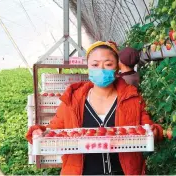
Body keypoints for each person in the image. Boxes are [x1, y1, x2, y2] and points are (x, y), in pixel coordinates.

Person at [26, 41, 163, 175]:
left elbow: (147, 128)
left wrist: (154, 131)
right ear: (88, 67)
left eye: (108, 64)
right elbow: (54, 129)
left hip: (124, 171)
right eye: (95, 64)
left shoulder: (132, 98)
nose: (101, 69)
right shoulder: (73, 100)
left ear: (117, 68)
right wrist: (39, 132)